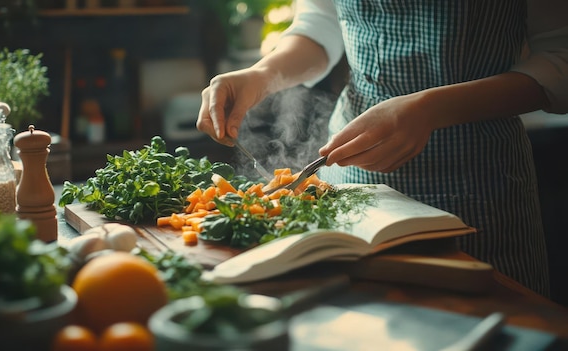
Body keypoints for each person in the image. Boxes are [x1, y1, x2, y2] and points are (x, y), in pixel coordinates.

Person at [196, 0, 568, 297]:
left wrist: (430, 109)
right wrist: (260, 76)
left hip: (478, 181)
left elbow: (559, 56)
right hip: (350, 172)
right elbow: (320, 21)